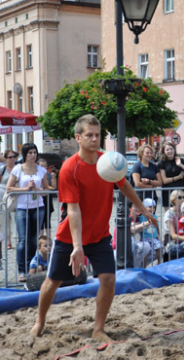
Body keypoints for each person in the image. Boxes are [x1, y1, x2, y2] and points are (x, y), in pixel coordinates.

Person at [30, 114, 156, 342]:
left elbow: (124, 184)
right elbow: (73, 210)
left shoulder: (108, 161)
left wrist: (142, 208)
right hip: (69, 237)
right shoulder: (70, 168)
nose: (94, 139)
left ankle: (98, 329)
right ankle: (40, 321)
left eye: (97, 135)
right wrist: (77, 247)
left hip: (99, 235)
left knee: (108, 279)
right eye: (89, 135)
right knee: (53, 282)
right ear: (78, 137)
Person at [6, 143, 49, 281]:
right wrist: (25, 189)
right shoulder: (18, 169)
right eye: (30, 152)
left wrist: (39, 191)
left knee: (32, 240)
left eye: (34, 152)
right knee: (23, 240)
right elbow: (9, 188)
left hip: (38, 207)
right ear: (25, 154)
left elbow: (46, 191)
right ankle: (21, 270)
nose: (33, 155)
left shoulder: (41, 170)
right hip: (22, 208)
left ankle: (31, 267)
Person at [158, 142, 184, 208]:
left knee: (180, 213)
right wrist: (178, 177)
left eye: (171, 149)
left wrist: (180, 165)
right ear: (164, 152)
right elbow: (164, 180)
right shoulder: (162, 162)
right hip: (167, 191)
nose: (170, 151)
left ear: (174, 150)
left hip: (180, 191)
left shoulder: (181, 160)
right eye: (167, 150)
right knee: (169, 215)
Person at [164, 190, 184, 260]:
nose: (183, 199)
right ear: (173, 200)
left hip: (183, 236)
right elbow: (173, 235)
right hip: (171, 239)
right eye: (180, 197)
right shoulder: (169, 213)